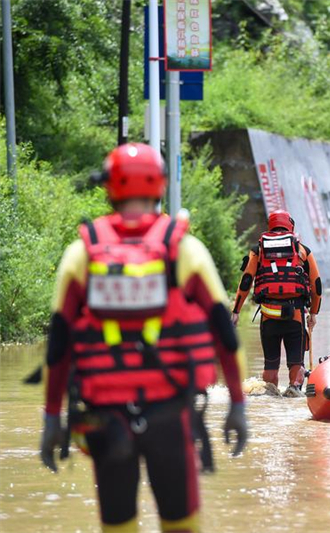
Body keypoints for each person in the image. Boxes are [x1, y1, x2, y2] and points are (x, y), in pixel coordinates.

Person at [39, 143, 247, 533]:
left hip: (104, 418)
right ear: (160, 186)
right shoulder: (185, 249)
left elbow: (58, 348)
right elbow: (225, 335)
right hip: (171, 415)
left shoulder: (81, 254)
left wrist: (52, 416)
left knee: (118, 527)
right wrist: (237, 403)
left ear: (109, 187)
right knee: (181, 524)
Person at [231, 210, 322, 397]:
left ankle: (269, 399)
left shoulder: (258, 250)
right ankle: (294, 389)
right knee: (296, 365)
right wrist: (314, 313)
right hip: (295, 315)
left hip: (268, 315)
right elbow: (317, 286)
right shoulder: (303, 250)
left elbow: (246, 281)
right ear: (290, 225)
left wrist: (236, 311)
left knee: (270, 366)